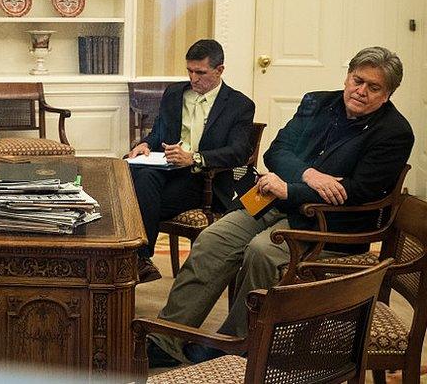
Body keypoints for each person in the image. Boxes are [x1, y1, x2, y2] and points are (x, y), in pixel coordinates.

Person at [147, 46, 415, 368]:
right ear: (347, 76)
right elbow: (277, 151)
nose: (361, 91)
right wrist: (309, 175)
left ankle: (239, 344)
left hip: (332, 224)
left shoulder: (395, 133)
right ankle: (168, 339)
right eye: (358, 80)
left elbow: (356, 191)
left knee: (262, 252)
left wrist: (291, 188)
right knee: (213, 240)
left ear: (387, 95)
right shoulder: (317, 102)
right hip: (274, 201)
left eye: (374, 88)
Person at [127, 39, 255, 283]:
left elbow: (240, 151)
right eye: (190, 71)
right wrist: (144, 144)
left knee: (134, 201)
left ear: (219, 70)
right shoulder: (175, 93)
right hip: (167, 170)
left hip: (204, 179)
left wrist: (194, 158)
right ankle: (140, 261)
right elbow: (158, 133)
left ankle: (137, 259)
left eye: (200, 72)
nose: (193, 78)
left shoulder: (240, 105)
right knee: (139, 177)